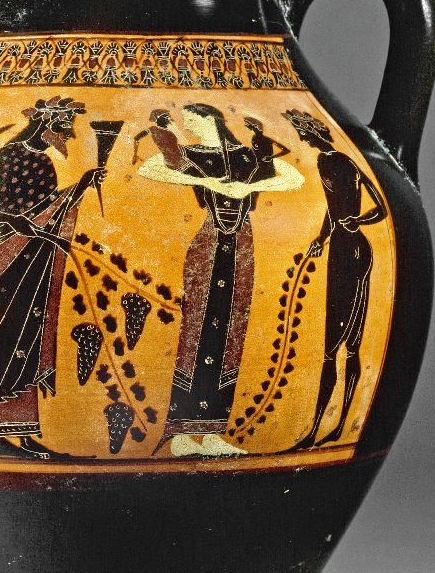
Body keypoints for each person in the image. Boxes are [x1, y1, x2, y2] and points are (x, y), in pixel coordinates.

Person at [140, 104, 304, 457]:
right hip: (208, 245)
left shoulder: (247, 156)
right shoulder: (192, 155)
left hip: (241, 245)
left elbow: (294, 177)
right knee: (196, 329)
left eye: (192, 119)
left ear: (209, 119)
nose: (188, 125)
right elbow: (149, 166)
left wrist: (247, 188)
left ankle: (214, 432)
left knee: (232, 333)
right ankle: (181, 435)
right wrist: (205, 181)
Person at [0, 96, 105, 460]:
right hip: (0, 258)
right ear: (44, 123)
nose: (67, 136)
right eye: (62, 127)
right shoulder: (5, 156)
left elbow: (44, 212)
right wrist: (7, 220)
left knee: (28, 340)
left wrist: (81, 186)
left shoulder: (45, 161)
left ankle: (25, 433)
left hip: (32, 258)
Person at [282, 109, 387, 450]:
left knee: (337, 346)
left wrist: (358, 221)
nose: (300, 136)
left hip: (351, 251)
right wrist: (322, 237)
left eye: (301, 131)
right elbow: (334, 208)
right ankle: (333, 427)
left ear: (311, 132)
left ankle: (322, 429)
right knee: (347, 343)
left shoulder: (341, 160)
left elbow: (380, 207)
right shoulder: (327, 161)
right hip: (343, 247)